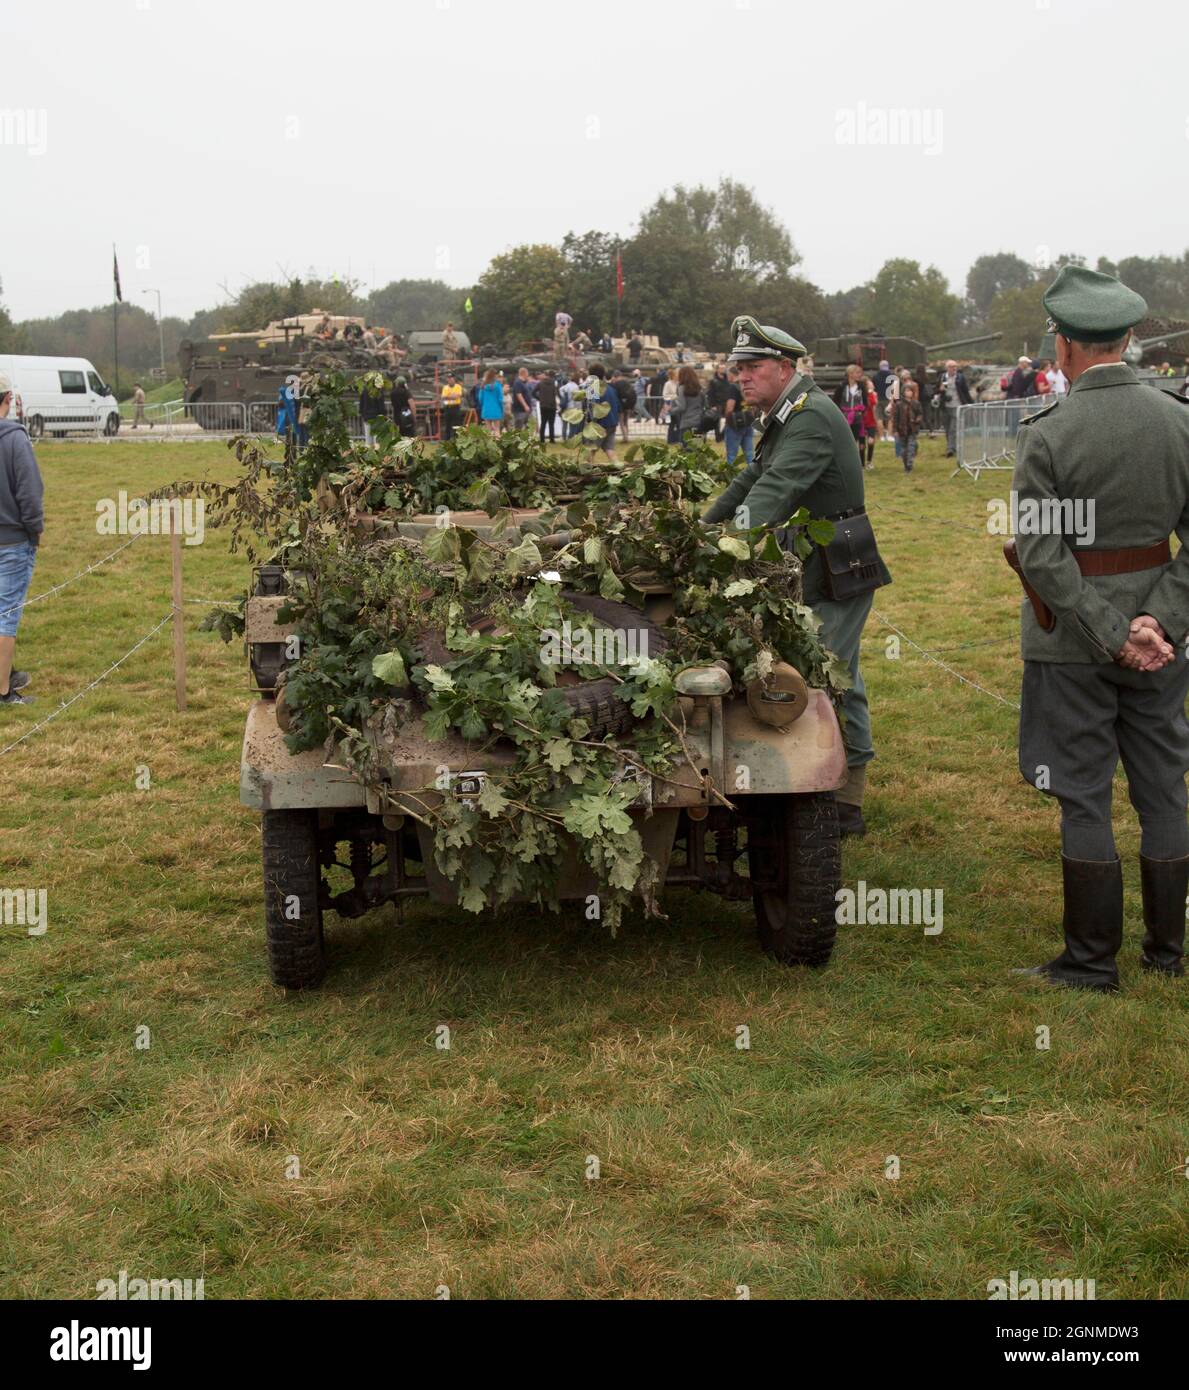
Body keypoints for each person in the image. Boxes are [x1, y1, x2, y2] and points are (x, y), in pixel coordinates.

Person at [1009, 265, 1189, 991]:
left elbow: (1041, 554)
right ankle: (1168, 955)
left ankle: (1088, 963)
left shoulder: (1047, 431)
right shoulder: (1178, 418)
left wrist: (1111, 630)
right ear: (1128, 337)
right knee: (1164, 790)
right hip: (1164, 641)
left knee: (1083, 795)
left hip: (1072, 643)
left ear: (1064, 346)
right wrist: (1156, 620)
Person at [702, 318, 891, 835]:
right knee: (833, 667)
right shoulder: (786, 413)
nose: (742, 377)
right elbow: (752, 476)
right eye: (738, 368)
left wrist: (727, 543)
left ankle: (846, 799)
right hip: (812, 560)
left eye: (754, 367)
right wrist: (704, 525)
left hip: (838, 564)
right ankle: (830, 783)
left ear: (785, 367)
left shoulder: (808, 417)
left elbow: (774, 491)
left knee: (830, 673)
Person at [0, 372, 42, 706]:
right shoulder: (15, 440)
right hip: (12, 540)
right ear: (9, 399)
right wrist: (34, 530)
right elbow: (29, 492)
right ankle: (3, 692)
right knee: (6, 615)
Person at [936, 357, 973, 457]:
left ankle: (950, 449)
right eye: (952, 367)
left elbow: (965, 391)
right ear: (947, 368)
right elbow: (936, 391)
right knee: (947, 428)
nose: (954, 369)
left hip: (957, 405)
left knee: (953, 428)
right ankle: (952, 446)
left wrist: (971, 403)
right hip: (945, 406)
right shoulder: (942, 377)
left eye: (955, 367)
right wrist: (941, 390)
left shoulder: (960, 377)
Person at [832, 364, 868, 464]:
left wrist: (861, 411)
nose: (859, 375)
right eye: (857, 373)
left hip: (857, 417)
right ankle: (843, 461)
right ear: (850, 374)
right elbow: (835, 401)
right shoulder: (842, 386)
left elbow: (865, 402)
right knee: (845, 439)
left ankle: (859, 462)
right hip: (844, 417)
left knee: (856, 439)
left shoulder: (861, 386)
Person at [722, 365, 754, 467]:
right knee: (749, 453)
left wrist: (727, 420)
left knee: (732, 455)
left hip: (735, 423)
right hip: (748, 421)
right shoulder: (745, 385)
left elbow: (730, 407)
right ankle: (754, 473)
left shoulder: (732, 387)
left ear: (731, 374)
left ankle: (730, 475)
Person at [587, 363, 619, 459]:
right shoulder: (610, 388)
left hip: (600, 425)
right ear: (603, 374)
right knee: (610, 450)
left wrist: (590, 422)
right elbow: (617, 406)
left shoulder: (593, 387)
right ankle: (619, 468)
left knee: (590, 450)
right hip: (612, 423)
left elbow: (592, 407)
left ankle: (586, 471)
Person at [891, 380, 924, 472]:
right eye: (907, 391)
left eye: (910, 391)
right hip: (902, 430)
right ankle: (906, 465)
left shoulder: (916, 404)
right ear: (903, 392)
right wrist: (895, 430)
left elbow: (920, 414)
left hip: (912, 429)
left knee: (911, 446)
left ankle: (910, 464)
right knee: (903, 449)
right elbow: (895, 418)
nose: (909, 393)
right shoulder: (899, 405)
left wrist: (917, 420)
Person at [672, 365, 706, 447]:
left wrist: (671, 410)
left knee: (685, 451)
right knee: (698, 450)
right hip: (699, 423)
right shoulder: (699, 388)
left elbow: (682, 407)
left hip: (686, 423)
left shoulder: (681, 388)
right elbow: (704, 404)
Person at [706, 364, 731, 443]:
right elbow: (710, 394)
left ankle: (725, 437)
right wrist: (712, 405)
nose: (723, 369)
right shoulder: (713, 381)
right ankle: (719, 438)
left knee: (728, 421)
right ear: (717, 369)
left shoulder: (727, 380)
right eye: (721, 368)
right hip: (718, 404)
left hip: (727, 403)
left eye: (724, 368)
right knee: (718, 422)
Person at [871, 359, 893, 443]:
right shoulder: (892, 375)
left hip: (878, 399)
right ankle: (890, 435)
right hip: (889, 399)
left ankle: (881, 436)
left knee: (879, 418)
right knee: (890, 418)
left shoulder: (875, 376)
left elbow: (873, 388)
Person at [359, 378, 386, 445]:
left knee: (368, 439)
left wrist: (362, 414)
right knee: (376, 438)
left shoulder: (364, 390)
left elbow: (361, 404)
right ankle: (377, 453)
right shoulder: (378, 391)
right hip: (377, 417)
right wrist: (384, 414)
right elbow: (381, 405)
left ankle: (369, 453)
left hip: (367, 417)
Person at [477, 369, 503, 435]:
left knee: (488, 431)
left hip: (486, 410)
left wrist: (484, 405)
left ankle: (489, 444)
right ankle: (497, 444)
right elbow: (500, 399)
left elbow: (480, 398)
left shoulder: (483, 385)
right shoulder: (498, 385)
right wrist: (502, 409)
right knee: (497, 429)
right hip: (496, 410)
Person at [860, 375, 878, 468]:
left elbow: (874, 407)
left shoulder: (873, 394)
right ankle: (862, 463)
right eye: (869, 382)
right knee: (862, 444)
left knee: (871, 441)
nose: (871, 383)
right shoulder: (860, 394)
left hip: (871, 421)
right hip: (862, 421)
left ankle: (869, 461)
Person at [536, 370, 558, 443]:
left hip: (543, 406)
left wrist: (539, 398)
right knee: (551, 424)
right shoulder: (554, 383)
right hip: (552, 406)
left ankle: (542, 439)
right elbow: (556, 393)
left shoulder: (540, 383)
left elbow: (533, 392)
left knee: (543, 423)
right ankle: (552, 439)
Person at [440, 372, 463, 441]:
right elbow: (443, 397)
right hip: (448, 408)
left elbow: (457, 396)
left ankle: (457, 440)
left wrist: (448, 396)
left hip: (456, 407)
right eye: (448, 378)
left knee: (456, 425)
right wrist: (452, 396)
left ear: (454, 379)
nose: (450, 380)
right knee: (447, 425)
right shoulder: (445, 387)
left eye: (451, 378)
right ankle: (447, 440)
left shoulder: (458, 387)